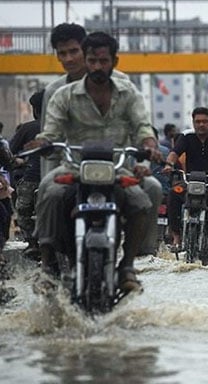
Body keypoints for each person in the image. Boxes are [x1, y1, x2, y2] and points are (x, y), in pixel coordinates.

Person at [28, 31, 162, 293]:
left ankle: (128, 265)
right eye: (92, 61)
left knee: (148, 194)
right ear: (86, 61)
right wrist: (43, 142)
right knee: (48, 190)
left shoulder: (128, 92)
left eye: (103, 61)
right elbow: (51, 130)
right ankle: (47, 267)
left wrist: (149, 145)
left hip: (118, 167)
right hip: (74, 167)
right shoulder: (63, 94)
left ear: (114, 60)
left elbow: (143, 128)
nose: (97, 67)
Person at [40, 23, 131, 178]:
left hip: (117, 168)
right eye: (62, 53)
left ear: (86, 50)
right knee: (48, 195)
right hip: (72, 170)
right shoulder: (53, 92)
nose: (69, 59)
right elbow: (50, 143)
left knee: (147, 193)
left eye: (74, 51)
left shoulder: (121, 82)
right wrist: (47, 180)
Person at [162, 107, 208, 253]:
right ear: (193, 122)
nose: (201, 125)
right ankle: (177, 237)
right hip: (190, 179)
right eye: (197, 122)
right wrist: (168, 165)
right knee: (174, 194)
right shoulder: (186, 136)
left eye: (204, 121)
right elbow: (174, 153)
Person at [9, 90, 43, 259]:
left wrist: (14, 162)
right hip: (61, 177)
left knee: (23, 212)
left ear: (35, 110)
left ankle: (32, 243)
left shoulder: (28, 128)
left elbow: (10, 151)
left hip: (33, 178)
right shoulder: (67, 127)